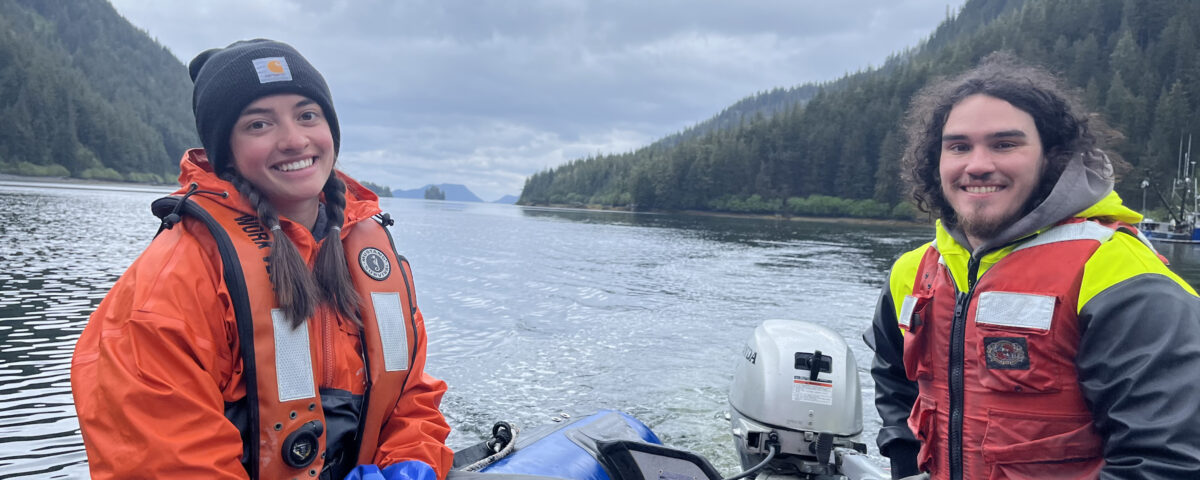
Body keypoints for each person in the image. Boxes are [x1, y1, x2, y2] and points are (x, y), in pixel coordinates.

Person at [71, 39, 453, 480]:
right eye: (258, 125)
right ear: (224, 150)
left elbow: (411, 400)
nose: (294, 140)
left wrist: (412, 461)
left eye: (308, 115)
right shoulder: (169, 288)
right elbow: (164, 462)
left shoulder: (371, 259)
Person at [868, 53, 1200, 480]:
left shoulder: (1120, 275)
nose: (978, 164)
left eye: (1005, 144)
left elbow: (1167, 461)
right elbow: (895, 384)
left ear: (1052, 156)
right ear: (936, 160)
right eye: (959, 147)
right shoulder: (912, 272)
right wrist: (905, 464)